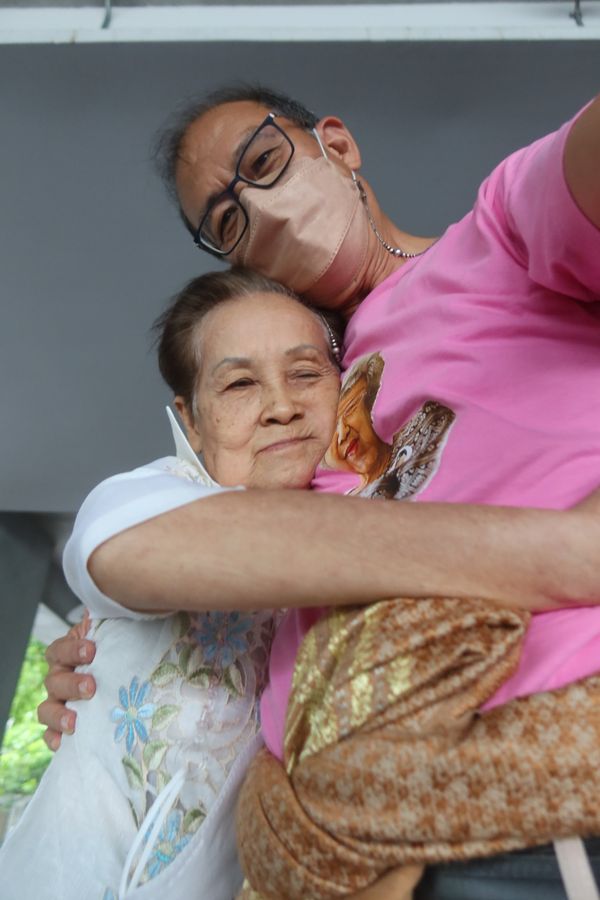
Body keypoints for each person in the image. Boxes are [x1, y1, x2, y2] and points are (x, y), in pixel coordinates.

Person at [41, 85, 600, 897]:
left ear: (336, 146)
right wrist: (125, 671)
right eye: (228, 221)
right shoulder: (304, 411)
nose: (260, 211)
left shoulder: (502, 234)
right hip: (345, 855)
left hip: (541, 803)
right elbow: (156, 546)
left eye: (265, 162)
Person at [0, 268, 343, 900]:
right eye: (239, 383)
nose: (282, 406)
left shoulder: (373, 521)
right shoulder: (149, 497)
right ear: (192, 421)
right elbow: (111, 549)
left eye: (305, 373)